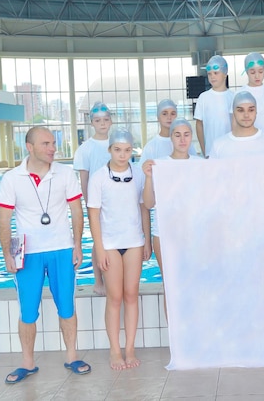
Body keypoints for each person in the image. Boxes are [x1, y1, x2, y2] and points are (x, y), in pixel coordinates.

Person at [0, 127, 91, 383]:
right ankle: (27, 362)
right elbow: (4, 220)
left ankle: (72, 356)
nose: (53, 148)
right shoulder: (12, 178)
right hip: (26, 250)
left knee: (67, 305)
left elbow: (76, 210)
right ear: (30, 147)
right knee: (27, 310)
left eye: (53, 143)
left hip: (61, 248)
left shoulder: (65, 173)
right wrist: (8, 254)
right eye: (46, 143)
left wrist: (78, 245)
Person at [87, 128, 151, 370]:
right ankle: (115, 350)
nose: (122, 155)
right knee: (114, 297)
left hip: (133, 242)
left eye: (126, 150)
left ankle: (130, 348)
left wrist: (145, 238)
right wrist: (100, 249)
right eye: (117, 150)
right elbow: (93, 216)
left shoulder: (139, 173)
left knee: (131, 295)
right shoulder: (99, 178)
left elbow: (144, 207)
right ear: (109, 150)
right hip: (110, 245)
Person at [142, 118, 202, 320]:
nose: (182, 140)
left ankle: (194, 334)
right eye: (177, 135)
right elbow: (149, 203)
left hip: (193, 234)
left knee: (194, 283)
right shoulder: (160, 166)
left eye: (186, 135)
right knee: (172, 285)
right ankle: (176, 339)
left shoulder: (201, 165)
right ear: (171, 138)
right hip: (165, 234)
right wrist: (149, 177)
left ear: (191, 137)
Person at [73, 101, 113, 296]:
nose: (102, 124)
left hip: (117, 201)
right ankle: (98, 282)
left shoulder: (117, 143)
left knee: (113, 240)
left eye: (106, 120)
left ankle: (111, 279)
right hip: (96, 203)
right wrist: (90, 206)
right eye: (98, 120)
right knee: (99, 241)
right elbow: (84, 180)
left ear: (111, 121)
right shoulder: (85, 149)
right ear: (91, 123)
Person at [210, 90, 264, 159]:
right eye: (240, 110)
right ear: (234, 112)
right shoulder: (218, 146)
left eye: (251, 110)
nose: (246, 115)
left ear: (256, 112)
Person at [194, 55, 234, 157]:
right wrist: (204, 150)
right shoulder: (203, 98)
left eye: (216, 73)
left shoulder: (233, 97)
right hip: (210, 153)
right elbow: (199, 125)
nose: (212, 77)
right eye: (209, 74)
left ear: (225, 74)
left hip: (230, 152)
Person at [235, 52, 264, 141]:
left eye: (260, 71)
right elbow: (235, 122)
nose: (257, 76)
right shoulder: (239, 94)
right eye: (252, 72)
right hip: (247, 141)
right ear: (246, 71)